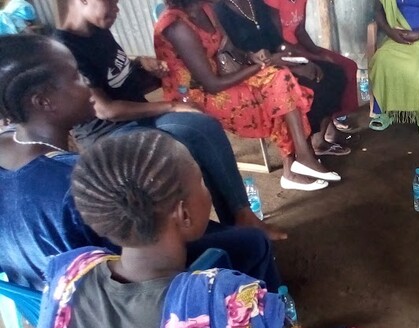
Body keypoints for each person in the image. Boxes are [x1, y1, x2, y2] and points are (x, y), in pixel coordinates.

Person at [36, 130, 382, 328]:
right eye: (201, 182)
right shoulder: (225, 301)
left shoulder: (69, 273)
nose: (206, 190)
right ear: (183, 214)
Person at [0, 34, 282, 291]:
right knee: (251, 242)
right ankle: (269, 323)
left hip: (44, 298)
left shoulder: (9, 143)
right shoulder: (81, 181)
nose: (87, 83)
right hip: (109, 295)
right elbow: (143, 253)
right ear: (44, 101)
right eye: (76, 77)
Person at [53, 0, 285, 237]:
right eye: (111, 3)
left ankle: (241, 216)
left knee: (204, 127)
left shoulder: (97, 31)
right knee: (178, 153)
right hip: (109, 134)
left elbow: (119, 80)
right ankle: (200, 237)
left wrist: (145, 68)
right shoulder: (65, 49)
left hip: (138, 117)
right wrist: (171, 106)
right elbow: (106, 110)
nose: (117, 9)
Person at [154, 0, 342, 191]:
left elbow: (231, 49)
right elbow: (211, 85)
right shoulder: (176, 26)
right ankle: (297, 162)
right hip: (195, 96)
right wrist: (260, 66)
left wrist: (253, 57)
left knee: (280, 78)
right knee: (276, 84)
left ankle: (298, 160)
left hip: (222, 74)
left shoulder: (206, 9)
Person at [211, 0, 354, 156]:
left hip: (277, 59)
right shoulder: (220, 10)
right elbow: (235, 53)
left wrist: (303, 60)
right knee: (308, 85)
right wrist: (291, 65)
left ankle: (320, 138)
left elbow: (278, 41)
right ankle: (307, 146)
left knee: (333, 72)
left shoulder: (256, 3)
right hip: (251, 69)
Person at [367, 0, 419, 133]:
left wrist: (418, 35)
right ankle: (384, 110)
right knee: (381, 60)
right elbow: (378, 12)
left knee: (416, 64)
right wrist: (391, 33)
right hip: (397, 37)